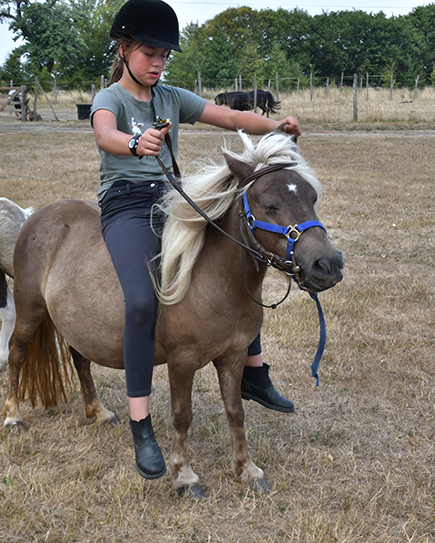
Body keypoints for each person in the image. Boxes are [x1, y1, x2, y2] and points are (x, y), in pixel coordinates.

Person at [91, 0, 301, 480]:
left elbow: (228, 118)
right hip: (125, 205)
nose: (158, 61)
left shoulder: (171, 97)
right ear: (123, 50)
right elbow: (104, 134)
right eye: (149, 52)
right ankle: (141, 422)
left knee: (239, 256)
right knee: (142, 302)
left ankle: (255, 371)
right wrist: (132, 142)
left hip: (172, 199)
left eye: (165, 54)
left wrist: (276, 127)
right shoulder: (112, 100)